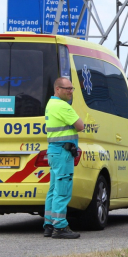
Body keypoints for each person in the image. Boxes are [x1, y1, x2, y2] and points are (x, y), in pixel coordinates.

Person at [43, 77, 85, 239]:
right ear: (57, 89)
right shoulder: (62, 106)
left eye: (72, 88)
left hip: (55, 152)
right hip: (63, 153)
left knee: (53, 189)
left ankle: (49, 224)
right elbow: (80, 125)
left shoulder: (51, 104)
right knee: (63, 190)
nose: (70, 91)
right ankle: (60, 227)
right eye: (67, 88)